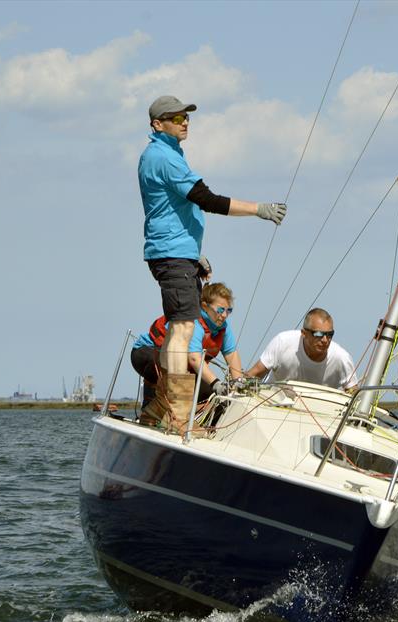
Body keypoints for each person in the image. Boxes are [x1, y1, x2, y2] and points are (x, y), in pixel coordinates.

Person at [138, 94, 286, 427]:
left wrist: (194, 254)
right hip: (172, 255)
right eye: (176, 118)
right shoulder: (163, 156)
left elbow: (172, 209)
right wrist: (258, 210)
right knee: (182, 329)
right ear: (157, 125)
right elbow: (205, 199)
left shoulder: (169, 153)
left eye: (186, 117)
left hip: (178, 253)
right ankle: (177, 414)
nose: (184, 122)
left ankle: (161, 410)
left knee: (181, 328)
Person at [131, 282, 243, 428]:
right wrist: (216, 383)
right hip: (145, 354)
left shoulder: (223, 329)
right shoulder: (194, 322)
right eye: (220, 310)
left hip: (180, 368)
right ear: (204, 306)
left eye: (229, 311)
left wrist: (239, 384)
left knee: (209, 394)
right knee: (187, 379)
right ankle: (162, 414)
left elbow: (232, 355)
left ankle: (170, 415)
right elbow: (194, 358)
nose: (224, 315)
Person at [246, 308, 359, 392]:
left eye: (330, 334)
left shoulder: (341, 358)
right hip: (274, 406)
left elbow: (354, 395)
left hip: (321, 415)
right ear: (304, 333)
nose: (325, 340)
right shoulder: (282, 342)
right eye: (318, 334)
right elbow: (253, 375)